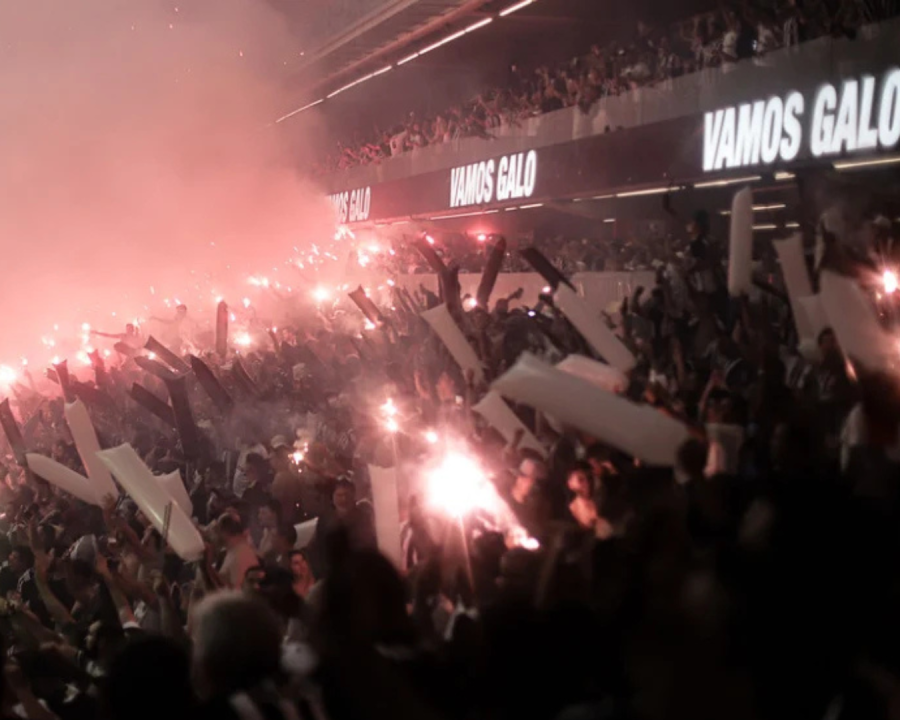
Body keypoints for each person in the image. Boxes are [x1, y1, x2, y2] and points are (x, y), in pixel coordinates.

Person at [216, 514, 260, 589]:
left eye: (218, 531)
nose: (216, 536)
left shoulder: (242, 554)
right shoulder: (233, 550)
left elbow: (239, 593)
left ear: (224, 532)